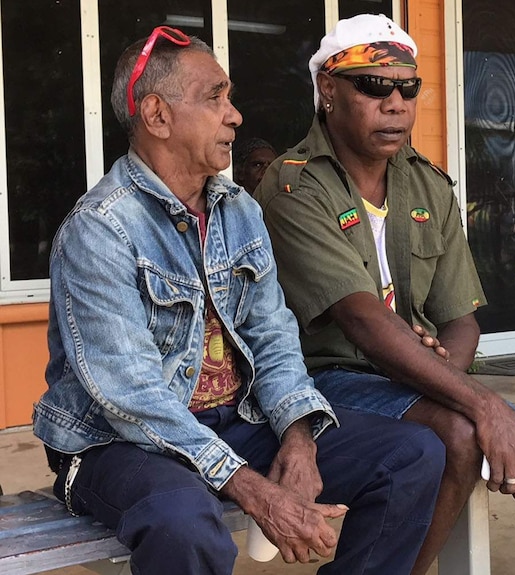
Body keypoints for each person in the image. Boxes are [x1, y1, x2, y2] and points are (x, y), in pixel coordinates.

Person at [32, 26, 445, 575]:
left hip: (229, 420)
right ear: (156, 116)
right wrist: (253, 487)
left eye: (229, 98)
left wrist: (299, 436)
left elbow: (274, 336)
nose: (236, 116)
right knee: (185, 518)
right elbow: (130, 397)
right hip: (114, 443)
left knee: (412, 456)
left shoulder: (237, 210)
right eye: (215, 97)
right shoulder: (100, 230)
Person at [255, 14, 515, 575]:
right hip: (324, 385)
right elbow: (363, 320)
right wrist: (480, 403)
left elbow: (460, 318)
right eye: (374, 86)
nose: (395, 102)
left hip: (415, 378)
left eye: (409, 87)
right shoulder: (294, 184)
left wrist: (446, 373)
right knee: (462, 434)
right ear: (328, 90)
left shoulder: (429, 183)